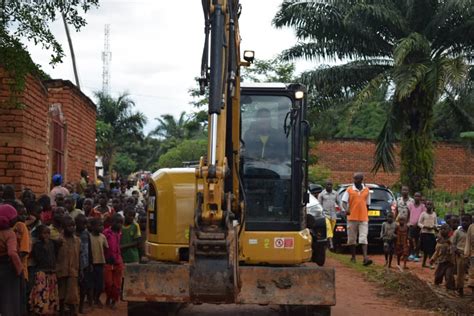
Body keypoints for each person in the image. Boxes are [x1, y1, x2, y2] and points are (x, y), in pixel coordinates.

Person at [341, 172, 372, 266]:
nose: (354, 180)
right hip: (352, 217)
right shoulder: (349, 190)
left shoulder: (366, 190)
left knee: (363, 237)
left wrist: (366, 214)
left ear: (361, 180)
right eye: (354, 178)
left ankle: (365, 258)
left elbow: (367, 204)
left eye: (356, 179)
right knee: (352, 238)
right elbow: (343, 201)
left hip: (363, 218)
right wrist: (346, 210)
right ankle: (353, 257)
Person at [29, 224, 60, 315]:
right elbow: (38, 258)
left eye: (48, 233)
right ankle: (40, 310)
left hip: (51, 272)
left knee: (50, 292)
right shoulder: (37, 245)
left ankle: (50, 309)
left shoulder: (52, 243)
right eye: (44, 233)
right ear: (39, 234)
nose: (46, 235)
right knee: (41, 292)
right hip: (42, 272)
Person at [0, 204, 23, 316]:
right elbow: (12, 253)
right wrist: (19, 269)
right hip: (8, 269)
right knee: (9, 300)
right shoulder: (10, 234)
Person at [56, 216, 81, 316]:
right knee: (61, 294)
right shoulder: (58, 240)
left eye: (73, 225)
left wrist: (81, 270)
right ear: (63, 227)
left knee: (73, 294)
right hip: (61, 270)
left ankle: (73, 312)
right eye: (69, 226)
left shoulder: (77, 240)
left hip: (73, 270)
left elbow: (79, 255)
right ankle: (61, 312)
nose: (72, 228)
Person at [13, 201, 30, 315]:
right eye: (21, 214)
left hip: (17, 268)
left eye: (25, 214)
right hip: (20, 269)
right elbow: (24, 251)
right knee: (20, 299)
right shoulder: (20, 226)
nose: (23, 217)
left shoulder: (18, 226)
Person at [104, 214, 124, 309]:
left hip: (118, 261)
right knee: (108, 282)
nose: (119, 225)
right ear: (112, 223)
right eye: (117, 222)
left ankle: (114, 301)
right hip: (108, 260)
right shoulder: (106, 232)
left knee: (117, 283)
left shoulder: (120, 233)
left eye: (121, 223)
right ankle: (108, 297)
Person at [75, 214, 93, 313]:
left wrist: (91, 263)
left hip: (85, 265)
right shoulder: (73, 234)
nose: (85, 226)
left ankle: (81, 307)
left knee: (83, 288)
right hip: (75, 266)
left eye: (86, 224)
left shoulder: (86, 234)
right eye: (83, 224)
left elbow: (89, 249)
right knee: (74, 288)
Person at [89, 218, 108, 307]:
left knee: (100, 284)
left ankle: (96, 299)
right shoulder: (89, 237)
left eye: (102, 225)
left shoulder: (103, 237)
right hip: (91, 263)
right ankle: (91, 300)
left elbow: (106, 248)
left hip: (100, 263)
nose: (101, 227)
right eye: (99, 225)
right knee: (91, 283)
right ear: (92, 227)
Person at [430, 224, 455, 290]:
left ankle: (450, 288)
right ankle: (436, 286)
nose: (443, 230)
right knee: (438, 275)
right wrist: (433, 259)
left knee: (448, 276)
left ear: (449, 231)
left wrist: (450, 244)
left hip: (450, 262)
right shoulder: (439, 241)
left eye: (445, 229)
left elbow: (454, 249)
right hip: (441, 261)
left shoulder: (452, 239)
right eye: (442, 229)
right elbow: (437, 252)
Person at [451, 214, 471, 296]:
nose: (464, 222)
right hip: (461, 254)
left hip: (471, 254)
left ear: (471, 222)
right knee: (460, 273)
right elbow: (453, 244)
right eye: (463, 220)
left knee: (471, 272)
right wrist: (456, 251)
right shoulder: (457, 232)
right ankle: (460, 289)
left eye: (466, 221)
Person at [318, 180, 339, 250]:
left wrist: (343, 210)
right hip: (325, 214)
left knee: (331, 230)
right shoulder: (321, 194)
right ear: (325, 186)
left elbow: (339, 202)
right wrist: (320, 213)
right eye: (328, 185)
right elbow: (319, 204)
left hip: (333, 215)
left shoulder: (335, 194)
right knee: (328, 228)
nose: (329, 186)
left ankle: (327, 242)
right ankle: (331, 243)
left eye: (330, 185)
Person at [418, 200, 438, 268]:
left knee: (432, 249)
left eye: (430, 204)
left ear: (432, 206)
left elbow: (436, 223)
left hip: (431, 233)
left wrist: (434, 227)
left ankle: (431, 263)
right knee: (425, 249)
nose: (429, 206)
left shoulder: (434, 214)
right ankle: (423, 263)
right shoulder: (423, 214)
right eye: (428, 204)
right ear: (425, 206)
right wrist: (424, 226)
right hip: (424, 233)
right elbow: (419, 223)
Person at [407, 192, 426, 262]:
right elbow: (409, 214)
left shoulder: (423, 206)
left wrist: (419, 224)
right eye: (415, 196)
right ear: (413, 197)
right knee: (410, 239)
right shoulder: (410, 205)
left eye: (418, 196)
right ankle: (412, 252)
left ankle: (417, 254)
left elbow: (423, 216)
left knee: (418, 240)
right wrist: (408, 223)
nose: (417, 198)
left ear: (420, 198)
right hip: (411, 225)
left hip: (419, 226)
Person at [464, 220, 474, 296]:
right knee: (473, 272)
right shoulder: (471, 227)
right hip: (473, 254)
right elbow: (468, 240)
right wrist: (467, 253)